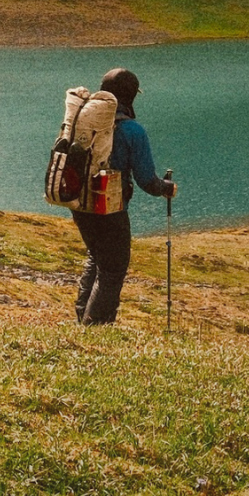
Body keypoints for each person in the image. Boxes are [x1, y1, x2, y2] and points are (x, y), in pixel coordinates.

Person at [74, 67, 176, 326]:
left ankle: (82, 319)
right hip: (110, 208)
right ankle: (94, 327)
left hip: (79, 203)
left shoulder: (84, 121)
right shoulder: (132, 131)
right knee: (113, 269)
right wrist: (167, 188)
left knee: (97, 258)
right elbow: (147, 182)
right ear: (130, 97)